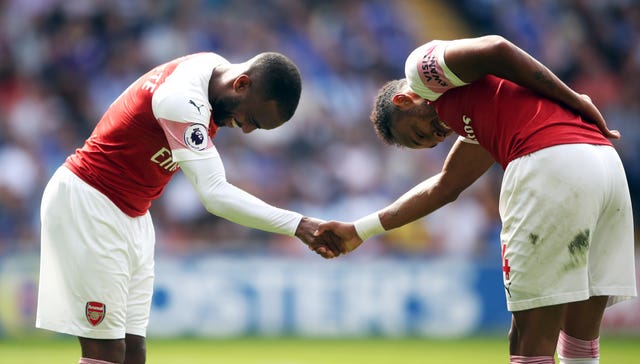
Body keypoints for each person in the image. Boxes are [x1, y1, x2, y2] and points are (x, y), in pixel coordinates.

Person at [314, 35, 637, 363]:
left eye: (420, 134)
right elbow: (444, 187)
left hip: (549, 162)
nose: (437, 137)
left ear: (404, 100)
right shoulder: (482, 112)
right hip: (605, 167)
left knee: (529, 339)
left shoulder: (420, 73)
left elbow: (495, 49)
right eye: (428, 143)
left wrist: (575, 99)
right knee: (579, 333)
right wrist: (360, 230)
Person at [36, 51, 339, 364]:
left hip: (134, 213)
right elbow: (215, 195)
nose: (246, 129)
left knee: (132, 352)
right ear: (242, 84)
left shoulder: (211, 75)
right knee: (107, 352)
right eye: (252, 119)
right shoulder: (182, 97)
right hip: (90, 200)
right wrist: (299, 225)